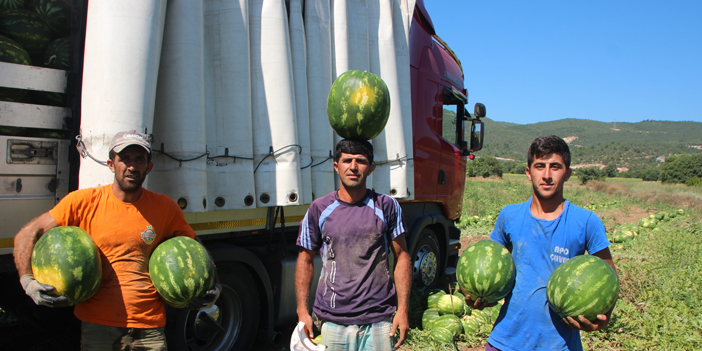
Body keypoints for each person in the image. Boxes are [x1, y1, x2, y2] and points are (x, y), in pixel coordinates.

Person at [13, 130, 221, 351]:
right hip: (99, 326)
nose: (132, 166)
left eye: (139, 159)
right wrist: (28, 282)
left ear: (148, 167)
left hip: (149, 328)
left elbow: (194, 245)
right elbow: (27, 234)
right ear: (111, 164)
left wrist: (215, 285)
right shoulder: (82, 202)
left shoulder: (165, 207)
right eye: (125, 159)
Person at [463, 135, 616, 351]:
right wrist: (482, 295)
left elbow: (609, 275)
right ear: (528, 172)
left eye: (555, 167)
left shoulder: (586, 222)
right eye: (539, 166)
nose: (546, 175)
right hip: (506, 341)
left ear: (568, 173)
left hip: (560, 345)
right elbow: (490, 262)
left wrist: (605, 317)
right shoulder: (510, 216)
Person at [295, 139, 411, 351]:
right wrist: (303, 311)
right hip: (332, 319)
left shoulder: (386, 206)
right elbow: (305, 259)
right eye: (347, 160)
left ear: (371, 168)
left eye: (361, 161)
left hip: (378, 319)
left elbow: (402, 256)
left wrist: (402, 309)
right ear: (336, 166)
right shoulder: (319, 209)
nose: (353, 167)